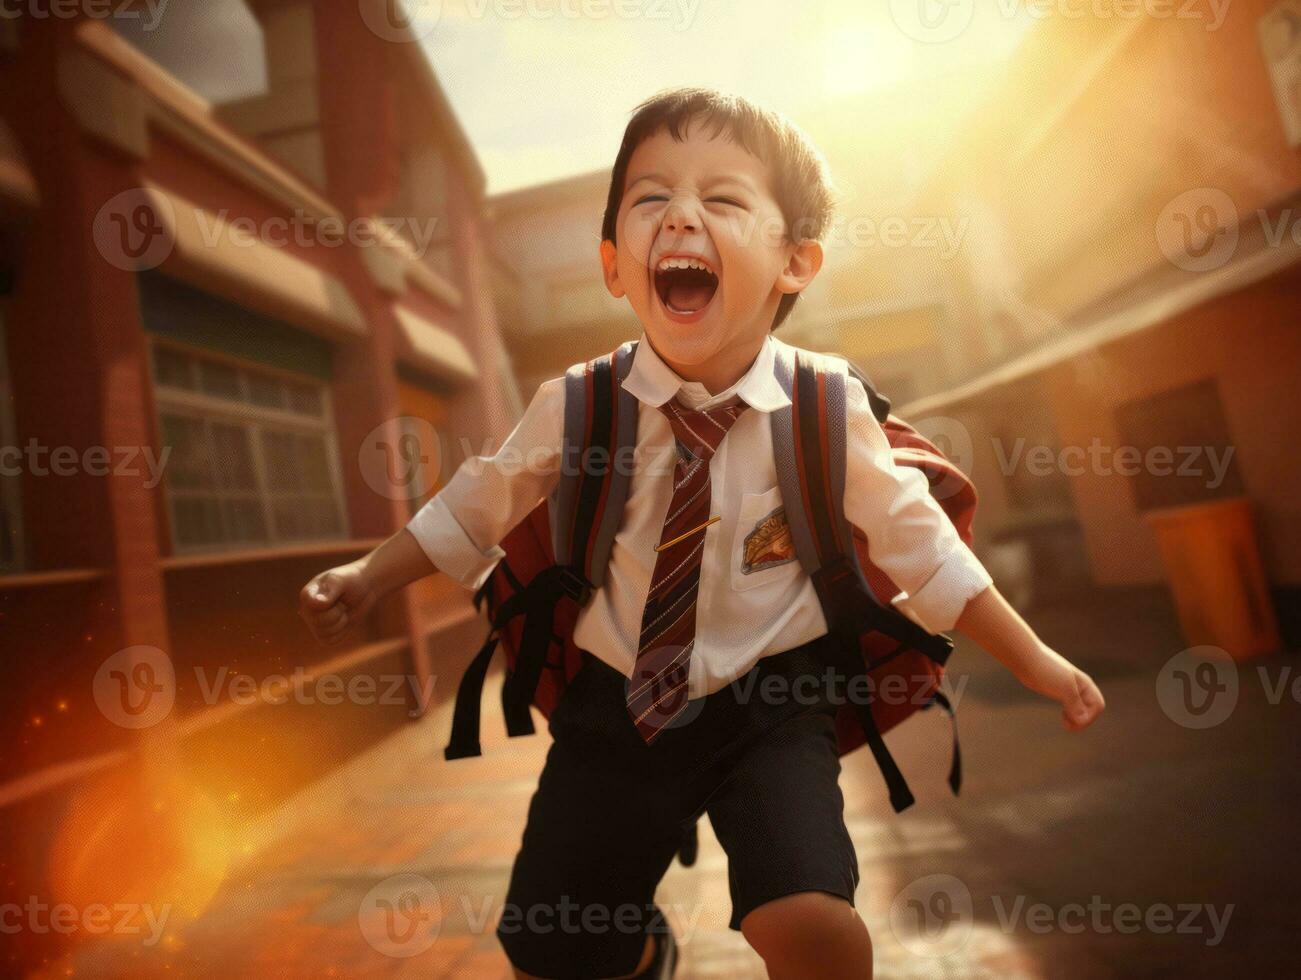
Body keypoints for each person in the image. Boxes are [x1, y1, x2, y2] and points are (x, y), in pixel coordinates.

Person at [299, 87, 1105, 979]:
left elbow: (928, 554)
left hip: (772, 706)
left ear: (795, 261)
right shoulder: (577, 403)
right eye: (650, 198)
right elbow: (474, 505)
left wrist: (1039, 663)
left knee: (812, 924)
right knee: (552, 945)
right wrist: (368, 576)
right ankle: (643, 951)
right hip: (616, 705)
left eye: (722, 199)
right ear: (614, 264)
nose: (680, 214)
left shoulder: (825, 407)